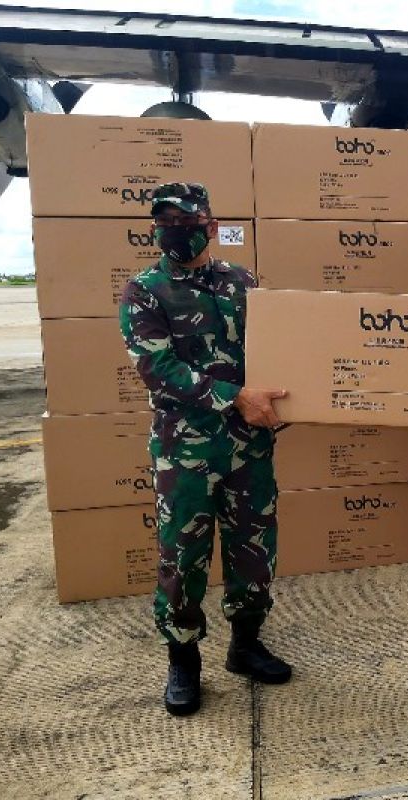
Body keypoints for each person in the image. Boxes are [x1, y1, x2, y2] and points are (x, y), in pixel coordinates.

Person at [119, 182, 291, 717]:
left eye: (185, 219)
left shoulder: (242, 282)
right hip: (184, 449)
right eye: (164, 219)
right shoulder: (144, 290)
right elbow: (157, 368)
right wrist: (236, 396)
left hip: (248, 447)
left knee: (253, 549)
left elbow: (276, 347)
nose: (174, 228)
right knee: (183, 556)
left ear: (211, 225)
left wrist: (290, 394)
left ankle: (245, 644)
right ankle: (183, 659)